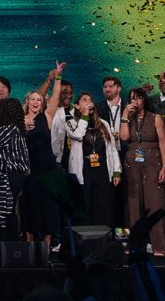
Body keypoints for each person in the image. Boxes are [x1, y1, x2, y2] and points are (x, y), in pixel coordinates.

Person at [22, 63, 65, 248]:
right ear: (27, 101)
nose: (36, 102)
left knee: (48, 207)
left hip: (47, 169)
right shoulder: (20, 120)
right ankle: (29, 244)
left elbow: (55, 96)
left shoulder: (46, 116)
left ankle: (46, 246)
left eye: (38, 99)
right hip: (29, 170)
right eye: (32, 99)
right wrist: (22, 128)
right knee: (30, 206)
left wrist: (58, 77)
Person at [120, 88, 165, 253]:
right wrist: (125, 114)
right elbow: (124, 137)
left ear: (144, 100)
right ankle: (134, 245)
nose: (135, 101)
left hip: (153, 162)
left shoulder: (155, 118)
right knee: (133, 204)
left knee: (155, 202)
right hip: (132, 163)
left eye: (138, 98)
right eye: (132, 98)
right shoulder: (127, 119)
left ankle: (159, 246)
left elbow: (163, 142)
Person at [66, 92, 122, 226]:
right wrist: (85, 115)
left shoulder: (103, 124)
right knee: (86, 203)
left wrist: (117, 170)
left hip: (102, 168)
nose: (89, 102)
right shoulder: (71, 122)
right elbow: (78, 135)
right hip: (84, 168)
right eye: (84, 100)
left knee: (104, 204)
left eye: (90, 100)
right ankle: (86, 236)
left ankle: (105, 235)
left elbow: (112, 148)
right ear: (77, 106)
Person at [0, 98, 31, 255]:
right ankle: (1, 249)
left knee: (4, 214)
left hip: (7, 176)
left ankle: (8, 250)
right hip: (10, 176)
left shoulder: (9, 129)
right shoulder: (16, 129)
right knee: (1, 213)